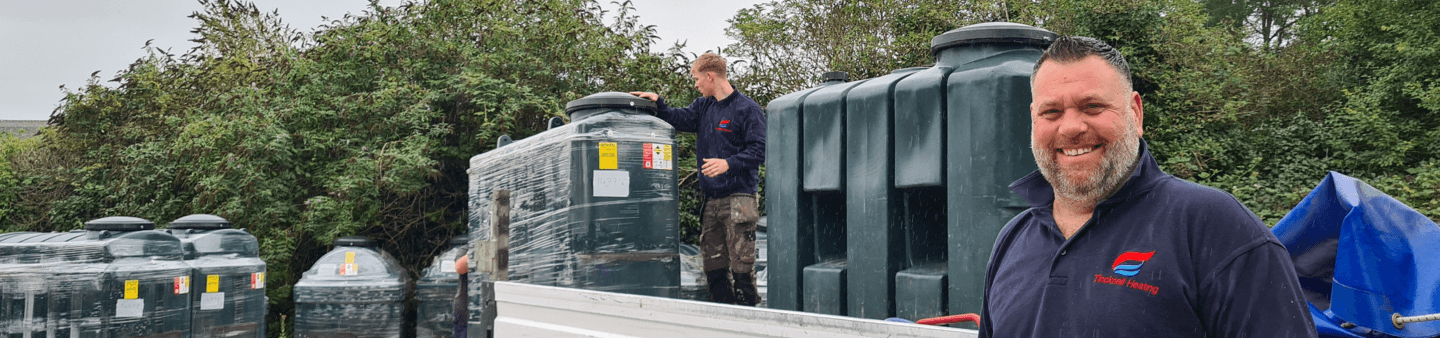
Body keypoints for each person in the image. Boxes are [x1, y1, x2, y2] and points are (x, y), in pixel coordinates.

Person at [978, 36, 1316, 337]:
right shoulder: (1013, 240)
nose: (1070, 128)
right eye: (1051, 112)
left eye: (1092, 106)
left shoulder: (1215, 227)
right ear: (1034, 120)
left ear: (1135, 114)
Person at [630, 52, 766, 306]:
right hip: (712, 201)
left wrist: (728, 163)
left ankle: (750, 323)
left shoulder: (747, 109)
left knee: (741, 269)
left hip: (740, 199)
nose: (695, 84)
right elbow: (679, 118)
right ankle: (721, 322)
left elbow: (760, 150)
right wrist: (659, 103)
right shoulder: (704, 107)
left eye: (696, 78)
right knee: (713, 268)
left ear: (710, 76)